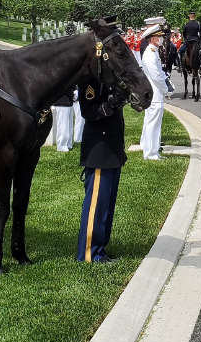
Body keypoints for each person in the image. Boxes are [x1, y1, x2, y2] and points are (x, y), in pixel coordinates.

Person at [75, 70, 130, 262]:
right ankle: (89, 253)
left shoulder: (113, 76)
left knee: (106, 205)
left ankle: (100, 249)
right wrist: (112, 103)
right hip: (100, 149)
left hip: (112, 148)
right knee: (96, 206)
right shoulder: (90, 79)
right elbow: (88, 111)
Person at [139, 24, 170, 160]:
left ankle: (150, 149)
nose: (161, 39)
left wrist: (168, 82)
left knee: (151, 122)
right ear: (152, 39)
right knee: (153, 123)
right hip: (154, 92)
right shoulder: (150, 53)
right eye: (159, 37)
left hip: (154, 92)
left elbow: (160, 73)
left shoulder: (153, 51)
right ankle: (151, 153)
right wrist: (166, 89)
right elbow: (156, 76)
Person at [51, 88, 76, 152]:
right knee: (63, 126)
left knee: (69, 126)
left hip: (68, 102)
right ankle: (61, 145)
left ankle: (68, 144)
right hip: (62, 102)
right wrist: (73, 95)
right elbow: (66, 88)